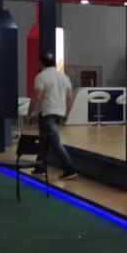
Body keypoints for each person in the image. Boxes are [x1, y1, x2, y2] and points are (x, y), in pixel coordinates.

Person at [28, 51, 77, 180]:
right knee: (44, 141)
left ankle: (69, 168)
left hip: (47, 113)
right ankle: (39, 168)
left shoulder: (41, 77)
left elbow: (37, 97)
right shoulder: (64, 77)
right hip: (59, 113)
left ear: (40, 63)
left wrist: (30, 113)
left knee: (54, 142)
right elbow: (70, 98)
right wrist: (67, 114)